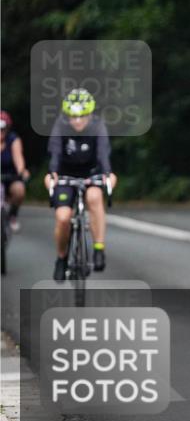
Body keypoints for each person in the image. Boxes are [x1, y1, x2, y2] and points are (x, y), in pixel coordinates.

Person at [44, 89, 117, 280]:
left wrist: (108, 174)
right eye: (73, 116)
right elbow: (55, 153)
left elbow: (103, 153)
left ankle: (99, 248)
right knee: (63, 217)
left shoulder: (97, 126)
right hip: (65, 174)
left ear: (90, 114)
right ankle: (61, 258)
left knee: (94, 197)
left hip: (91, 173)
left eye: (82, 116)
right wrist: (52, 174)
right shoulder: (60, 125)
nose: (77, 121)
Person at [0, 110, 30, 232]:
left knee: (19, 190)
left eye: (3, 128)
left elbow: (19, 160)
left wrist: (22, 172)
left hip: (10, 177)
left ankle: (13, 215)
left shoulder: (13, 139)